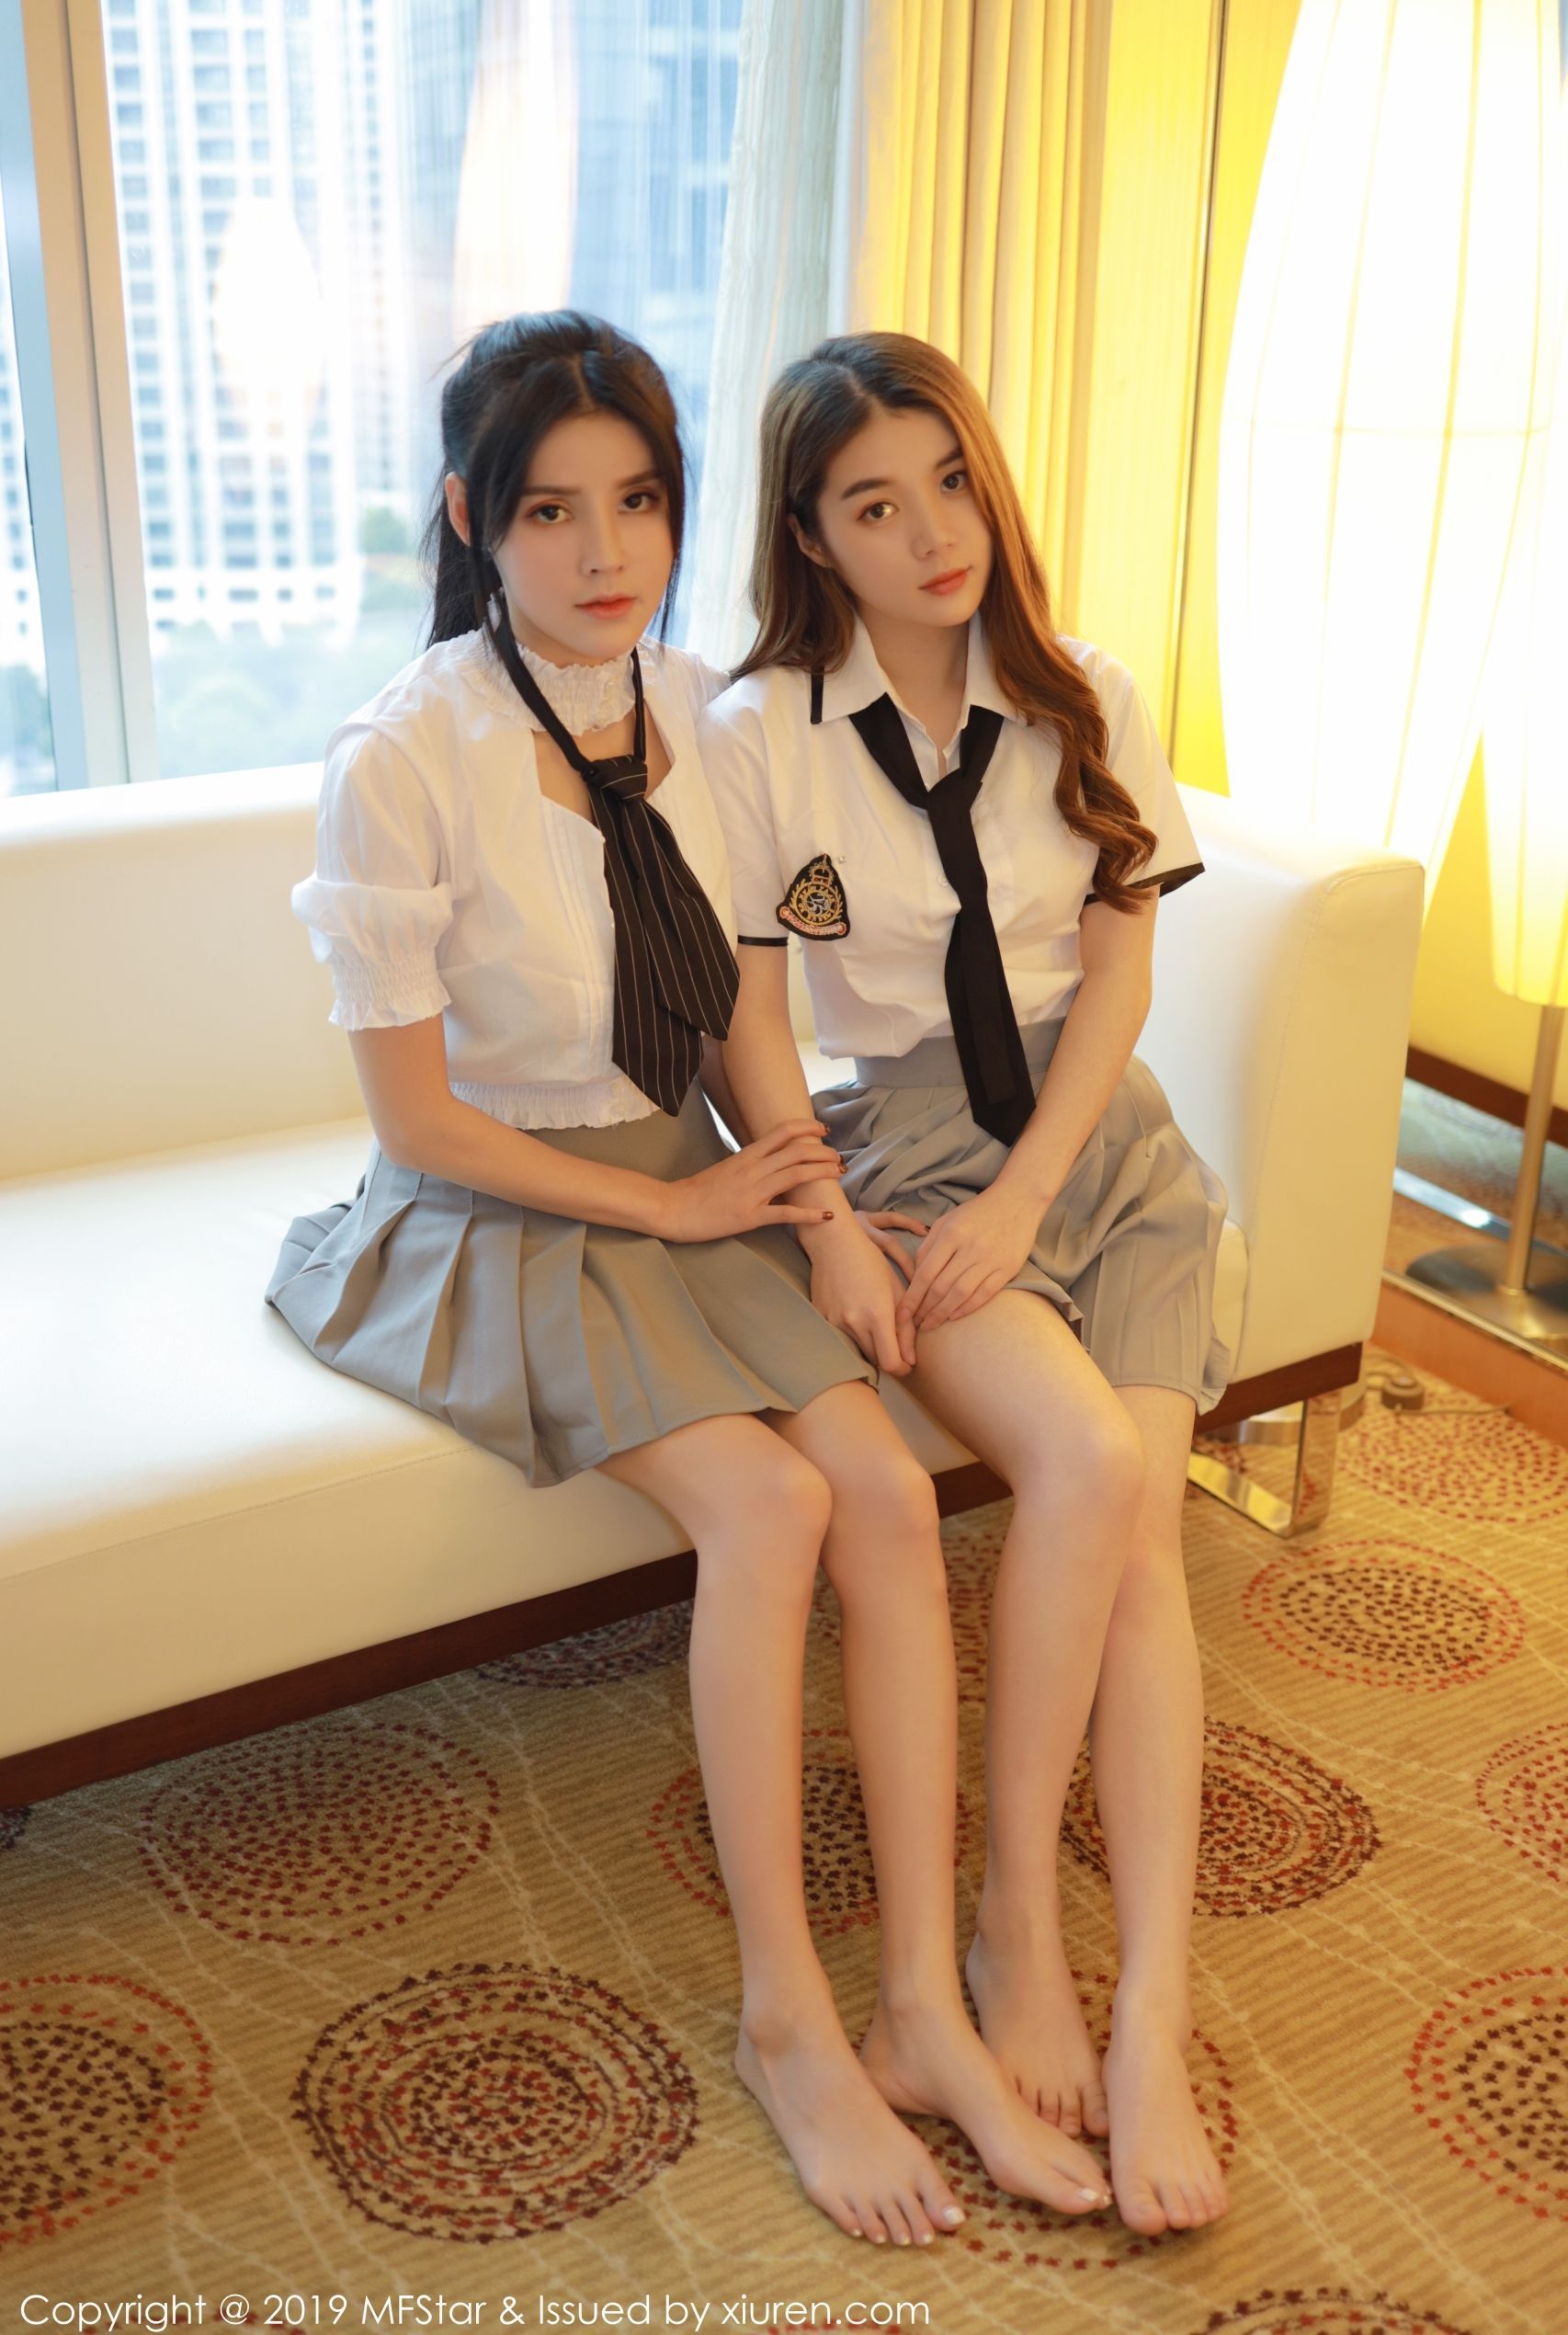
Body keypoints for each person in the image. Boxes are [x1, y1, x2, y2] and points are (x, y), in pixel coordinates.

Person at [265, 310, 1116, 2247]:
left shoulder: (704, 709)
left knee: (886, 1488)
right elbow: (418, 1122)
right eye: (550, 511)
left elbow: (744, 1006)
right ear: (472, 521)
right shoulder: (402, 756)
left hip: (696, 1181)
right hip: (501, 1208)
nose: (604, 552)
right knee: (771, 1502)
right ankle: (787, 2019)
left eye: (638, 500)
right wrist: (685, 1215)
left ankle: (920, 2007)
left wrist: (805, 1204)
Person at [696, 329, 1235, 2239]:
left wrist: (1035, 1190)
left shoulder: (1085, 691)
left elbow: (1121, 971)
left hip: (1104, 1154)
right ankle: (1014, 1915)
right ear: (810, 536)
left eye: (948, 480)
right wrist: (835, 1223)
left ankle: (1145, 2004)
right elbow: (753, 1022)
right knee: (1088, 1464)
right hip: (907, 1153)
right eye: (873, 503)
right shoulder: (762, 735)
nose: (931, 531)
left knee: (1143, 1536)